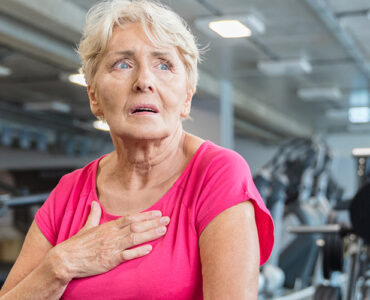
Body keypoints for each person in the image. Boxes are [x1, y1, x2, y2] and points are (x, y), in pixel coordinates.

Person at [0, 0, 274, 299]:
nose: (144, 81)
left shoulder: (217, 174)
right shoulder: (70, 192)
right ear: (94, 96)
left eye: (164, 65)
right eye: (123, 64)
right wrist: (60, 265)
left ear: (186, 97)